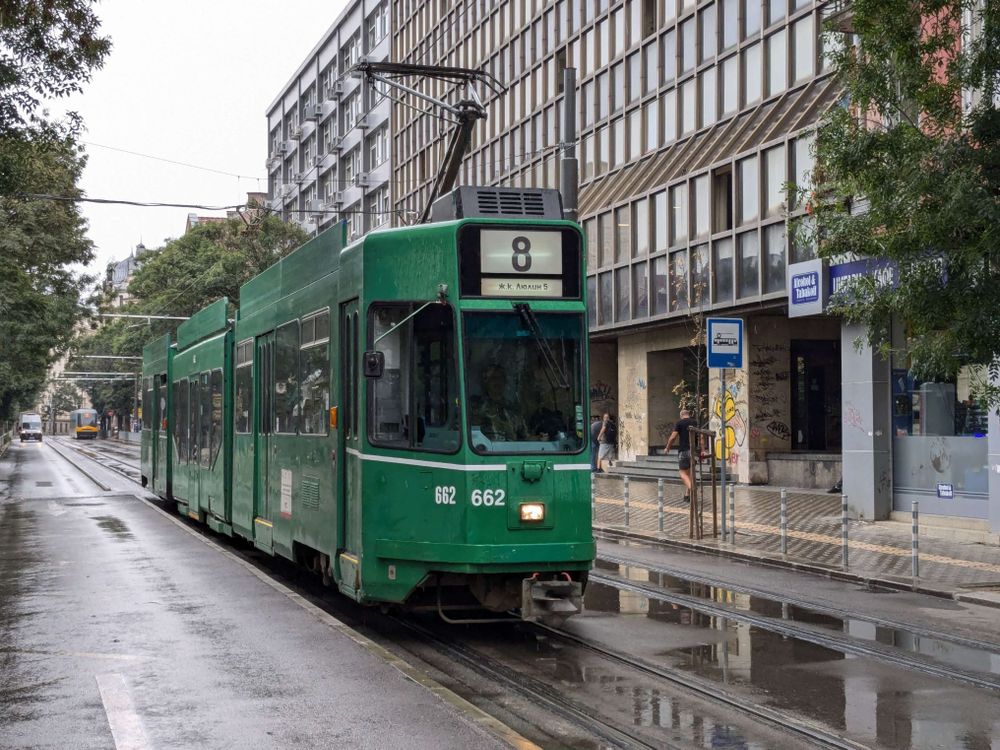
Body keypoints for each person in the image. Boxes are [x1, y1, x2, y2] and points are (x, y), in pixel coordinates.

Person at [474, 366, 527, 441]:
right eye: (493, 378)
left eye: (501, 378)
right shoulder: (475, 405)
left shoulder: (512, 409)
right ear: (486, 382)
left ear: (505, 382)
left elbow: (524, 437)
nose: (497, 381)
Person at [664, 408, 699, 503]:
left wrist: (667, 448)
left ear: (681, 415)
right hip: (694, 452)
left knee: (683, 474)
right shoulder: (695, 422)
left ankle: (693, 489)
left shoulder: (679, 423)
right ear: (688, 414)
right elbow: (702, 437)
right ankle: (687, 495)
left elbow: (673, 437)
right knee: (690, 473)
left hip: (684, 451)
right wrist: (703, 450)